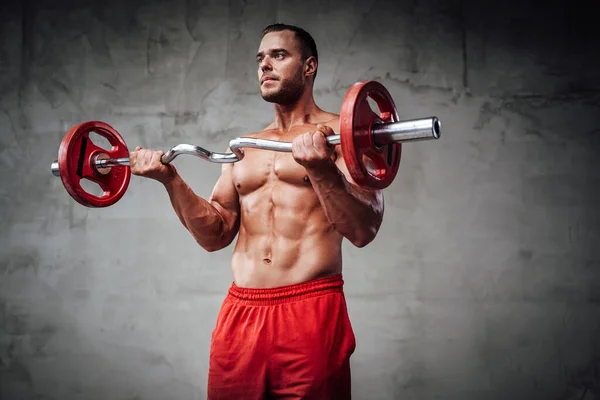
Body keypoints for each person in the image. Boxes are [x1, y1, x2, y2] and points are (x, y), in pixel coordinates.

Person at [129, 23, 384, 400]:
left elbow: (364, 229)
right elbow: (215, 234)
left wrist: (320, 168)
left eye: (278, 55)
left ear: (309, 66)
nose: (264, 65)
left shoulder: (341, 137)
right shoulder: (245, 146)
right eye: (260, 58)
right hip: (241, 315)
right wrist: (170, 180)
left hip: (309, 310)